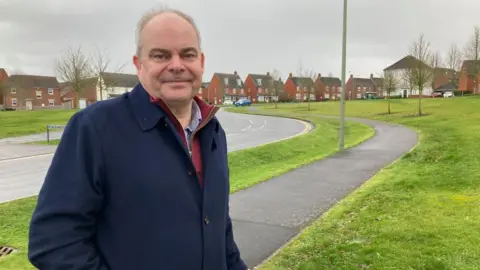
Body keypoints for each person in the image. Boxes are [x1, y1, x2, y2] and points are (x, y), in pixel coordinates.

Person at [28, 7, 247, 270]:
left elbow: (219, 226)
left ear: (201, 62)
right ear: (138, 65)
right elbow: (54, 243)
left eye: (187, 54)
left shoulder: (212, 131)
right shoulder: (94, 128)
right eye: (160, 55)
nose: (176, 65)